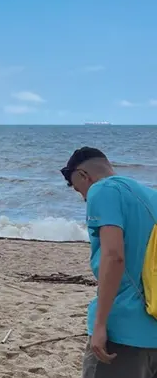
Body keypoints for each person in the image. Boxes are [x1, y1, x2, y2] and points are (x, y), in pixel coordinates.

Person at [60, 147, 157, 377]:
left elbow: (114, 256)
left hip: (123, 328)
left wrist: (101, 323)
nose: (83, 197)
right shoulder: (150, 195)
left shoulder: (102, 190)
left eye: (78, 189)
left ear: (84, 175)